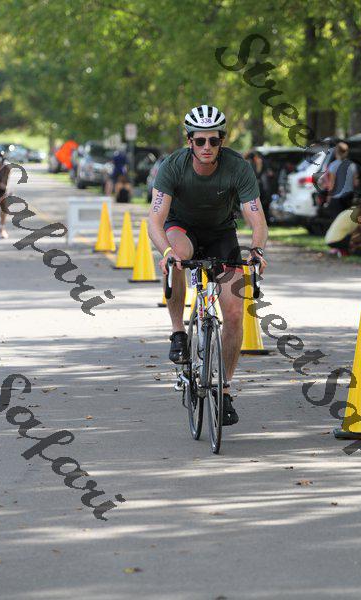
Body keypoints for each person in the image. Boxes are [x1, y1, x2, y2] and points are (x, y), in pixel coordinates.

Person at [148, 105, 268, 426]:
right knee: (177, 256)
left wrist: (257, 249)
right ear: (189, 141)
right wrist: (166, 252)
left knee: (234, 313)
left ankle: (224, 389)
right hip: (181, 228)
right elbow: (155, 220)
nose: (206, 147)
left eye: (213, 141)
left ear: (221, 141)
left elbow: (256, 216)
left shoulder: (237, 167)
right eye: (200, 141)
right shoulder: (173, 166)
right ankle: (178, 332)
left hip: (221, 234)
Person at [325, 142, 359, 219]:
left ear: (336, 152)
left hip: (337, 198)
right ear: (347, 152)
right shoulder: (352, 165)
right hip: (349, 197)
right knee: (347, 220)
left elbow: (332, 184)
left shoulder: (333, 165)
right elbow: (356, 183)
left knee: (337, 220)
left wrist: (328, 198)